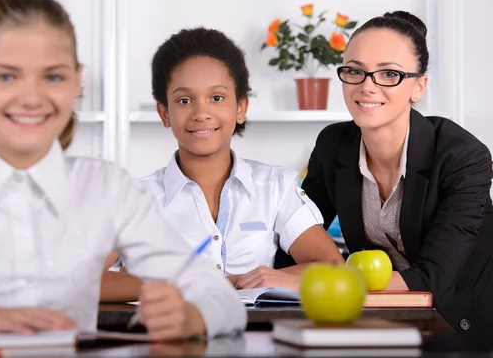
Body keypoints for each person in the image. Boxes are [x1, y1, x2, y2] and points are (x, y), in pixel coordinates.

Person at [0, 0, 246, 340]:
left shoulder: (108, 189)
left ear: (77, 81)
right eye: (5, 76)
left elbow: (219, 297)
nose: (31, 98)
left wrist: (192, 317)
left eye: (53, 77)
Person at [276, 11, 493, 338]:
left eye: (389, 74)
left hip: (466, 319)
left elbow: (431, 279)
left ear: (418, 86)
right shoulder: (333, 145)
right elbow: (300, 237)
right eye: (355, 71)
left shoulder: (462, 156)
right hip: (384, 315)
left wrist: (301, 279)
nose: (367, 86)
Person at [100, 27, 343, 302]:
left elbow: (333, 268)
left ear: (240, 108)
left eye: (216, 98)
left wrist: (282, 277)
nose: (201, 113)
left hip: (256, 339)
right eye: (184, 100)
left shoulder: (274, 187)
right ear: (164, 113)